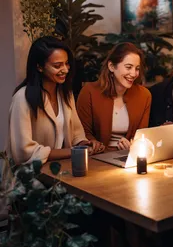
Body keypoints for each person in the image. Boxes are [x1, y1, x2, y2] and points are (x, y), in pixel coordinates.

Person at [7, 36, 104, 165]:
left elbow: (76, 133)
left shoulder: (66, 94)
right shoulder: (22, 98)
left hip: (61, 171)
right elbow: (24, 152)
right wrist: (73, 151)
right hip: (29, 178)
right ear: (39, 67)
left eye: (67, 63)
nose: (65, 69)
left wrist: (86, 144)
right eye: (57, 65)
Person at [77, 42, 151, 150]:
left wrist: (133, 146)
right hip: (96, 156)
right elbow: (82, 133)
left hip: (128, 156)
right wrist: (93, 143)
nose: (134, 73)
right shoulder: (89, 92)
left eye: (137, 68)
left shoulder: (144, 95)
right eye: (128, 67)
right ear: (111, 66)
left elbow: (141, 136)